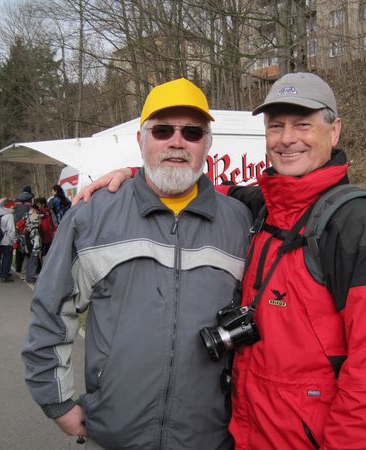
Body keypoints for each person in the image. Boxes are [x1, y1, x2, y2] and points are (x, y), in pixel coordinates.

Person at [76, 73, 366, 449]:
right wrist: (138, 177)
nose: (287, 138)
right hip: (246, 436)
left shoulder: (360, 227)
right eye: (276, 126)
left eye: (303, 125)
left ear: (334, 131)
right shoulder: (264, 205)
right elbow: (196, 189)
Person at [22, 78, 252, 449]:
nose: (177, 142)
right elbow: (51, 312)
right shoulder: (92, 216)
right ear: (141, 140)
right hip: (116, 433)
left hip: (209, 437)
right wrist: (57, 402)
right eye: (162, 131)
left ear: (207, 144)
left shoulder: (240, 221)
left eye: (192, 132)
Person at [0, 199, 17, 282]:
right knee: (7, 257)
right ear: (9, 205)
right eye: (13, 205)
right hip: (6, 239)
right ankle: (5, 276)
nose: (14, 206)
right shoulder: (10, 215)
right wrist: (14, 240)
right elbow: (11, 230)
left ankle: (2, 272)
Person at [13, 185, 34, 274]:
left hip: (17, 225)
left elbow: (13, 212)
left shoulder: (16, 199)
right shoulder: (31, 199)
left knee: (19, 245)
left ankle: (18, 266)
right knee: (28, 245)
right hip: (27, 225)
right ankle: (28, 268)